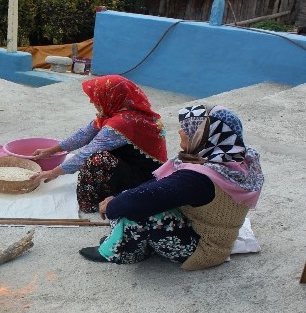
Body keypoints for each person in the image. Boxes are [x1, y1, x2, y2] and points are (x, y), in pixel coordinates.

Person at [79, 105, 264, 270]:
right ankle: (127, 239)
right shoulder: (233, 158)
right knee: (132, 197)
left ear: (203, 136)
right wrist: (119, 198)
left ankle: (123, 252)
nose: (180, 131)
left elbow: (142, 199)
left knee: (136, 210)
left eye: (187, 128)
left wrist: (112, 206)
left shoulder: (199, 177)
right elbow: (160, 186)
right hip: (212, 233)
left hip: (203, 248)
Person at [31, 75, 167, 212]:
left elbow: (87, 153)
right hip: (129, 164)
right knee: (96, 158)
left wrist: (53, 173)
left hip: (143, 178)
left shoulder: (124, 123)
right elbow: (84, 134)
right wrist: (51, 150)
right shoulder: (119, 112)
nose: (91, 101)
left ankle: (93, 203)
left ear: (111, 96)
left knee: (97, 160)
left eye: (96, 96)